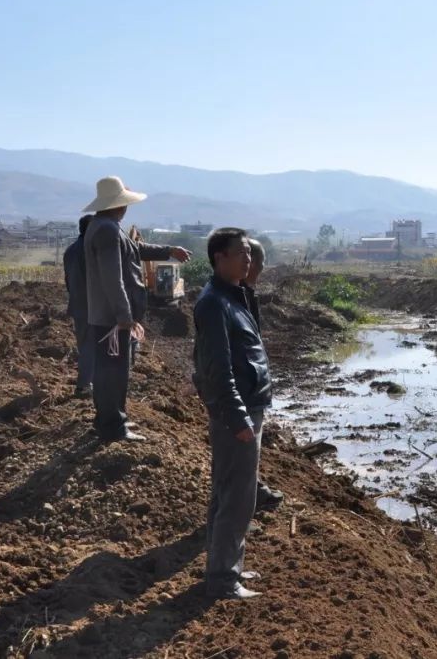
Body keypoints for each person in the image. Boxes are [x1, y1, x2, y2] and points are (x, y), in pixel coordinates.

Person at [193, 227, 272, 600]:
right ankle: (223, 578)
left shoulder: (234, 295)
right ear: (218, 257)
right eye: (240, 253)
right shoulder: (214, 304)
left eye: (249, 253)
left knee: (228, 493)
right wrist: (237, 416)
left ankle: (224, 566)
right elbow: (216, 369)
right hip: (237, 413)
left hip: (246, 406)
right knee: (238, 499)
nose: (248, 259)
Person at [82, 176, 191, 443]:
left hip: (108, 316)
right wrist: (124, 317)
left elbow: (135, 249)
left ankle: (108, 419)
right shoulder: (107, 230)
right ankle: (114, 428)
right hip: (112, 319)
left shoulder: (106, 227)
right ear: (118, 204)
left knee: (111, 372)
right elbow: (112, 278)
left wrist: (168, 250)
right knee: (114, 374)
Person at [243, 238, 283, 514]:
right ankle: (248, 498)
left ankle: (251, 491)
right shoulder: (235, 299)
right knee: (244, 447)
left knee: (247, 448)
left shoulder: (244, 295)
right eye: (261, 264)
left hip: (250, 383)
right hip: (244, 386)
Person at [62, 214, 95, 397]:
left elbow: (67, 280)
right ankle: (84, 386)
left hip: (77, 304)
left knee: (84, 346)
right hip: (93, 306)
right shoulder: (90, 250)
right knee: (94, 347)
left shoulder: (70, 251)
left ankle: (85, 382)